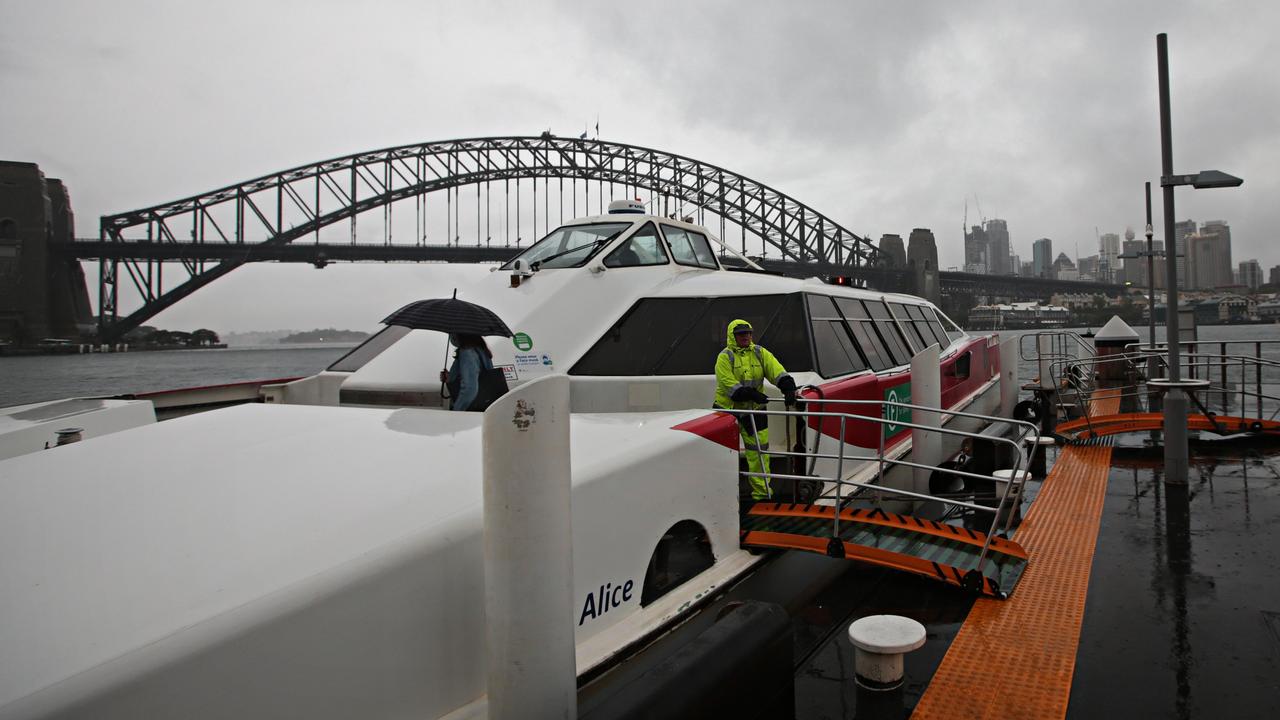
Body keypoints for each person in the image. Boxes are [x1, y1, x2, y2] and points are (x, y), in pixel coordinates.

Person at [713, 319, 797, 501]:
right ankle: (722, 500)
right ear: (732, 336)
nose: (746, 336)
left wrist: (788, 387)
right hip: (728, 413)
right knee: (723, 456)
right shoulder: (724, 357)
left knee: (760, 453)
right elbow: (732, 388)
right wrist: (752, 394)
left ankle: (762, 497)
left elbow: (776, 371)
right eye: (741, 334)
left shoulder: (760, 353)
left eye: (748, 333)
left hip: (755, 412)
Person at [444, 333, 495, 411]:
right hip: (483, 406)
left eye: (452, 333)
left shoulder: (467, 352)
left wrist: (457, 411)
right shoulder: (480, 349)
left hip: (470, 410)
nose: (451, 337)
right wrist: (449, 377)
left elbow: (470, 388)